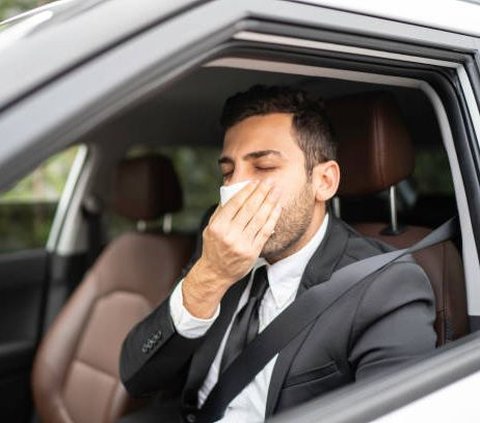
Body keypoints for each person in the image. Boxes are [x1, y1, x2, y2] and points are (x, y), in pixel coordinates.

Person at [119, 85, 436, 422]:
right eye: (228, 172)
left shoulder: (386, 285)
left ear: (324, 181)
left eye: (264, 167)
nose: (234, 189)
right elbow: (137, 376)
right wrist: (209, 276)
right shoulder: (216, 248)